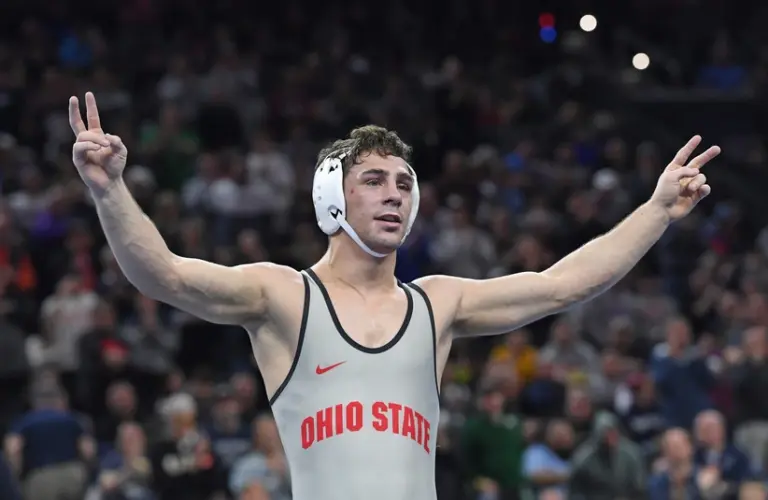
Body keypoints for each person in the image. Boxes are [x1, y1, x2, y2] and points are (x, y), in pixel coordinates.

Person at [69, 91, 719, 500]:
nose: (394, 195)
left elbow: (562, 285)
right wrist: (109, 190)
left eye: (404, 184)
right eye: (374, 180)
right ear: (332, 197)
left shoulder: (438, 305)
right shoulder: (284, 296)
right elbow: (166, 275)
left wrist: (656, 210)